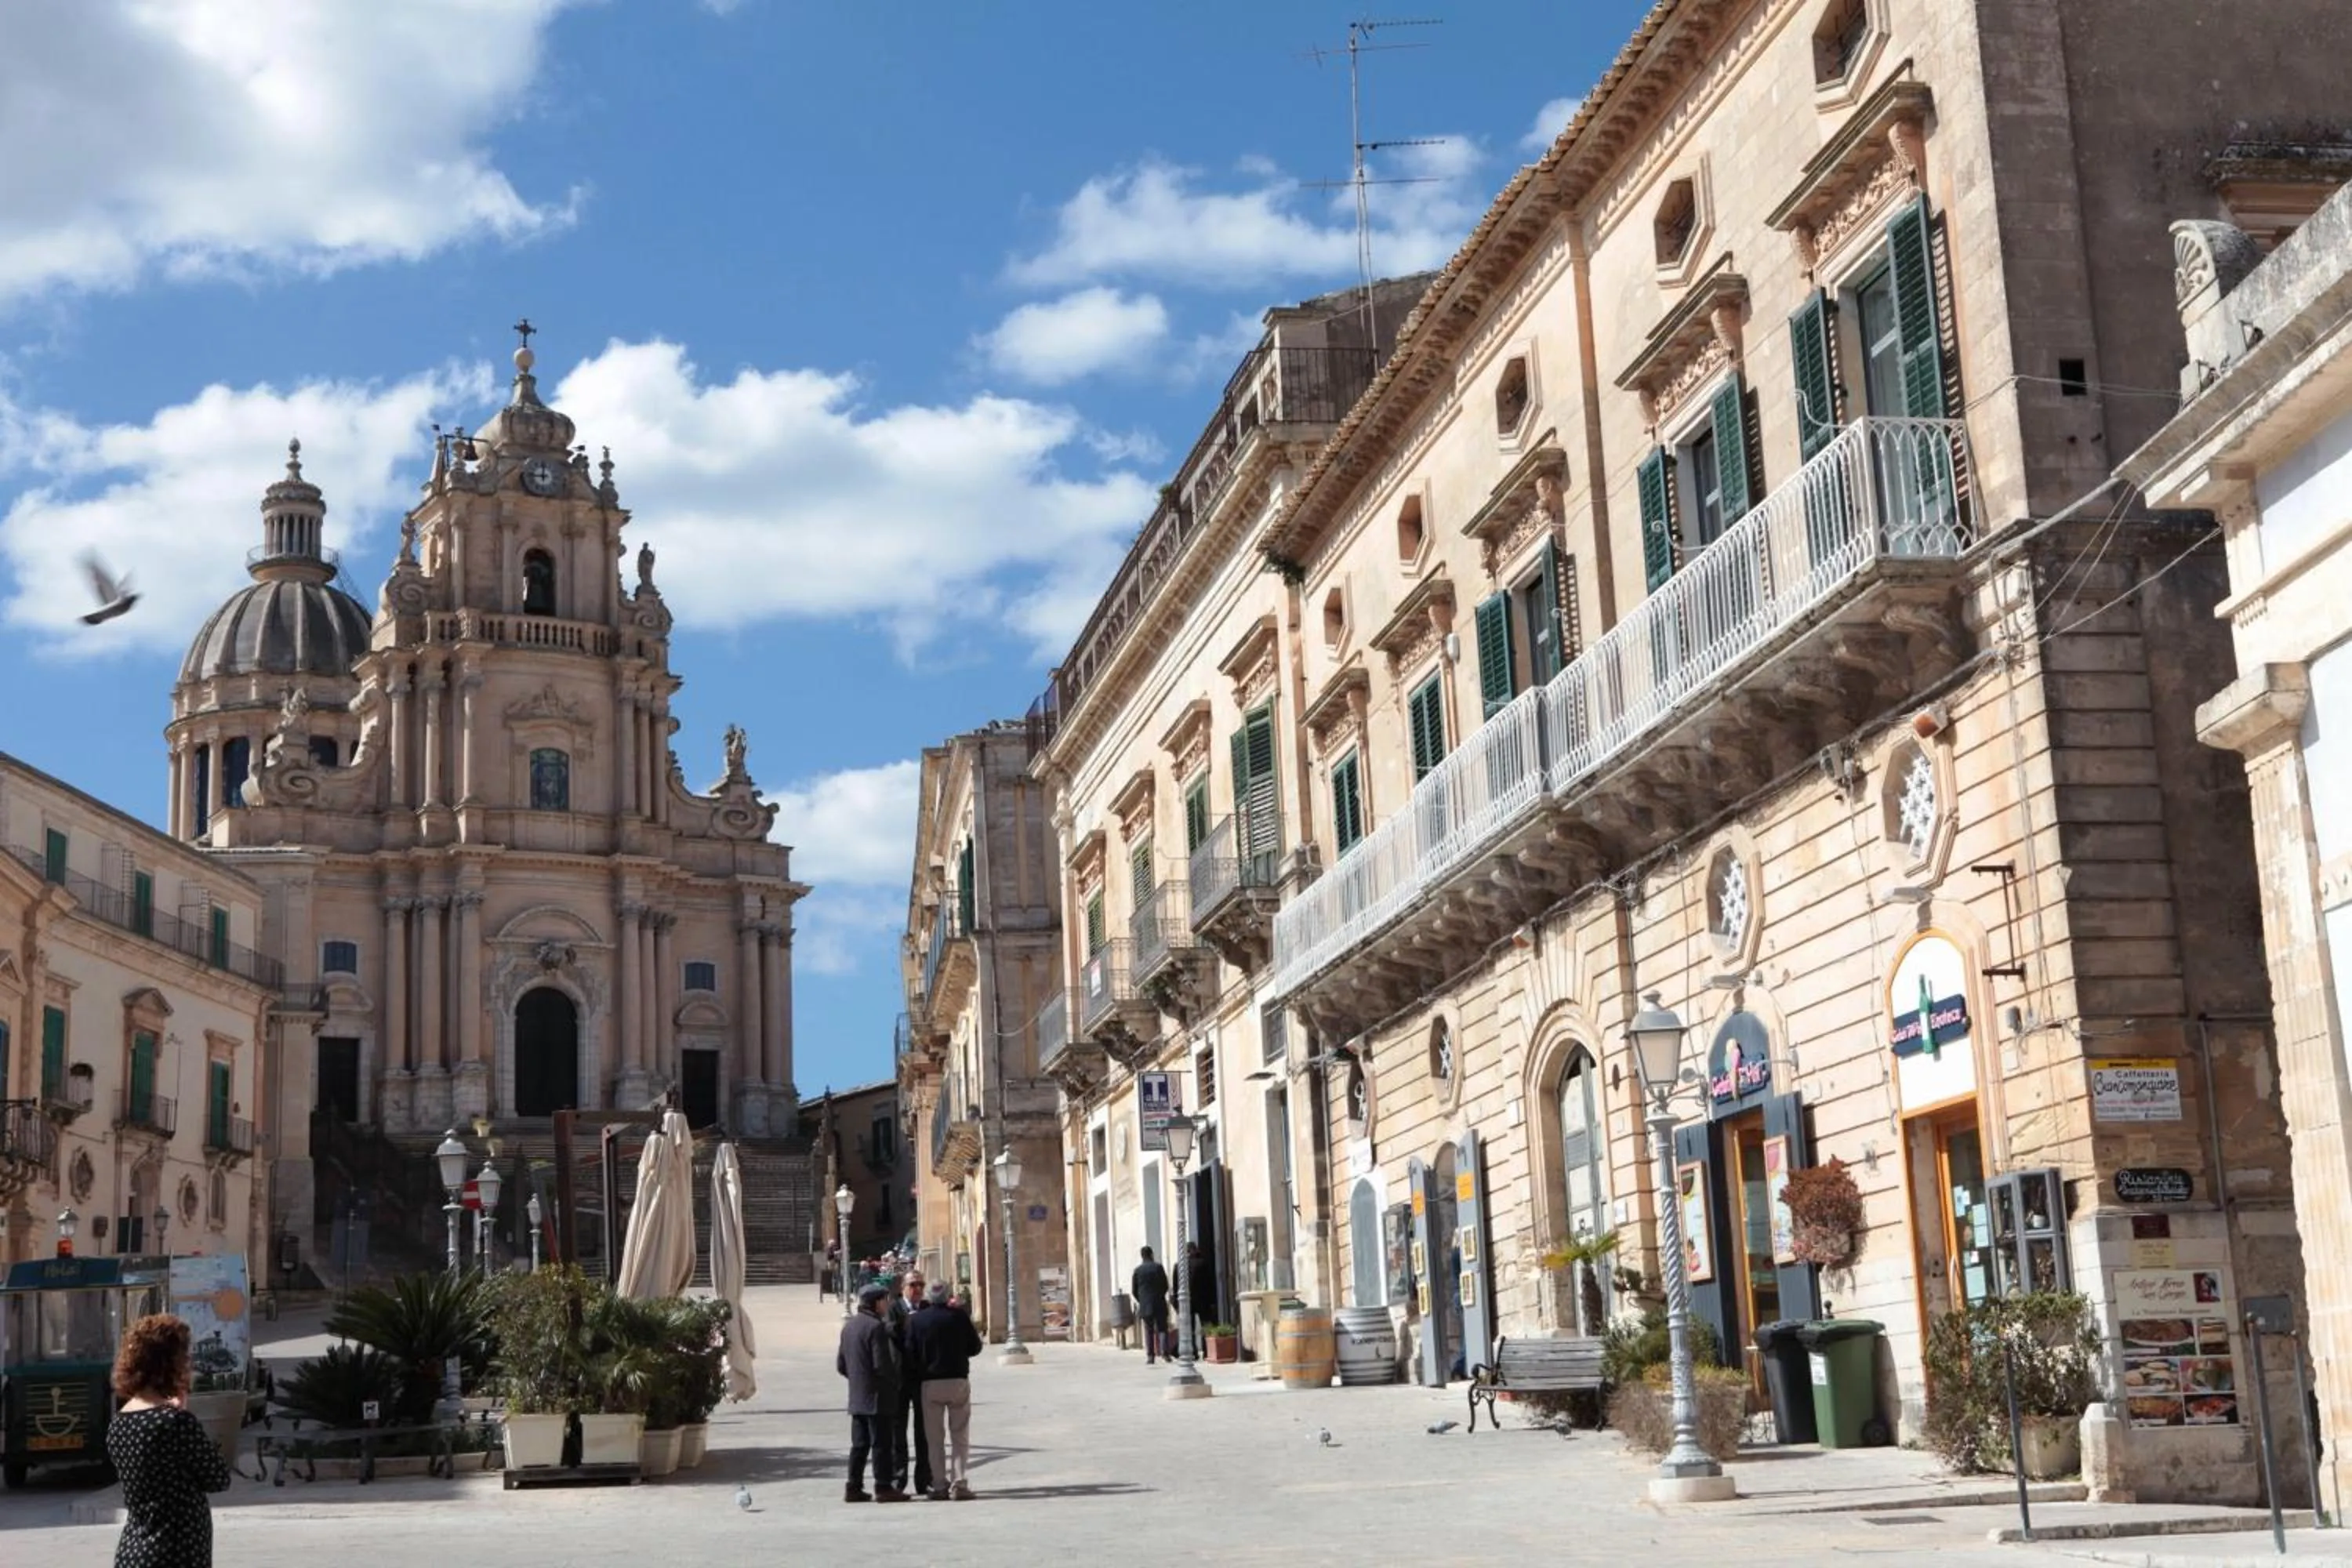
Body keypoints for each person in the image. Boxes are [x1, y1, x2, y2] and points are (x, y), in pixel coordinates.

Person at [107, 1312, 230, 1568]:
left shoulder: (119, 1424)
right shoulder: (175, 1423)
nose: (188, 1363)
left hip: (133, 1549)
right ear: (169, 1362)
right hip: (176, 1550)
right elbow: (218, 1478)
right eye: (184, 1356)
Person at [909, 1280, 984, 1501]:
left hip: (930, 1382)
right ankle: (959, 1483)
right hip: (957, 1380)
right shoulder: (959, 1317)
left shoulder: (918, 1320)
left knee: (934, 1438)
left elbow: (910, 1352)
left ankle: (939, 1484)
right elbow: (975, 1347)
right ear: (948, 1296)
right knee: (959, 1434)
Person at [837, 1284, 907, 1503]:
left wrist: (858, 1380)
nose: (887, 1304)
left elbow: (841, 1365)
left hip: (857, 1397)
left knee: (859, 1445)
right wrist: (896, 1382)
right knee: (881, 1444)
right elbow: (882, 1365)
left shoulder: (849, 1327)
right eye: (885, 1300)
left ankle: (853, 1485)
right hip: (878, 1397)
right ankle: (884, 1487)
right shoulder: (876, 1327)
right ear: (876, 1302)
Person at [884, 1269, 933, 1498]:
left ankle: (925, 1479)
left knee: (924, 1431)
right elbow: (889, 1330)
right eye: (913, 1285)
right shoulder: (894, 1308)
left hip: (922, 1377)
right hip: (899, 1378)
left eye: (921, 1285)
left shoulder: (927, 1308)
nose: (917, 1290)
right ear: (903, 1287)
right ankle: (898, 1478)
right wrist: (910, 1323)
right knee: (898, 1431)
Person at [1131, 1246, 1171, 1364]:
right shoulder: (1158, 1268)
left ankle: (1150, 1356)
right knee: (1162, 1328)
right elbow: (1165, 1285)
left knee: (1149, 1330)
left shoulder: (1138, 1271)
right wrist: (1160, 1295)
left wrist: (1142, 1300)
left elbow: (1134, 1290)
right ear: (1152, 1254)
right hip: (1159, 1302)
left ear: (1142, 1256)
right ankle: (1165, 1353)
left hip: (1145, 1305)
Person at [1183, 1241, 1217, 1359]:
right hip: (1203, 1300)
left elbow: (1177, 1286)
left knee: (1189, 1328)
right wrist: (1212, 1300)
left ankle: (1193, 1352)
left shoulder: (1181, 1266)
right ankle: (1207, 1351)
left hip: (1187, 1301)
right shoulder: (1202, 1263)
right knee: (1206, 1325)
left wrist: (1177, 1304)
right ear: (1195, 1250)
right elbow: (1210, 1283)